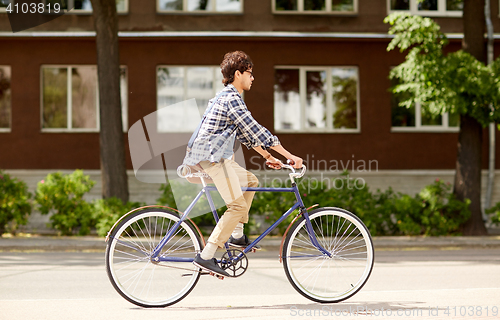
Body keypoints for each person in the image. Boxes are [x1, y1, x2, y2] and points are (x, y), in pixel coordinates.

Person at [181, 51, 303, 277]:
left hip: (214, 156)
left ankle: (236, 235)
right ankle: (206, 256)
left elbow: (246, 135)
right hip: (211, 157)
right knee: (236, 207)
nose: (253, 78)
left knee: (250, 180)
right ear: (238, 74)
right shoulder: (231, 99)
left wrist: (268, 157)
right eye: (249, 73)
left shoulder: (229, 98)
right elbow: (256, 129)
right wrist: (289, 155)